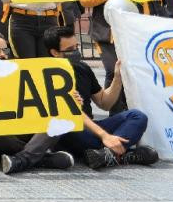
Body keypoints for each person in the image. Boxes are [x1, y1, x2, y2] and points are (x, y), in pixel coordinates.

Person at [43, 25, 158, 169]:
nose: (76, 52)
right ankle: (122, 155)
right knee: (68, 129)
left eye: (76, 47)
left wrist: (117, 78)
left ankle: (104, 155)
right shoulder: (46, 74)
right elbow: (73, 114)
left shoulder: (82, 68)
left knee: (137, 116)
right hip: (71, 131)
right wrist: (105, 136)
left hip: (92, 129)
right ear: (54, 52)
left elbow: (104, 103)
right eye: (70, 50)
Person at [0, 32, 75, 174]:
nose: (2, 54)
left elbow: (43, 105)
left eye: (5, 50)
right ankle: (39, 157)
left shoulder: (21, 73)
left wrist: (70, 101)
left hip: (18, 131)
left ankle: (20, 160)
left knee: (60, 117)